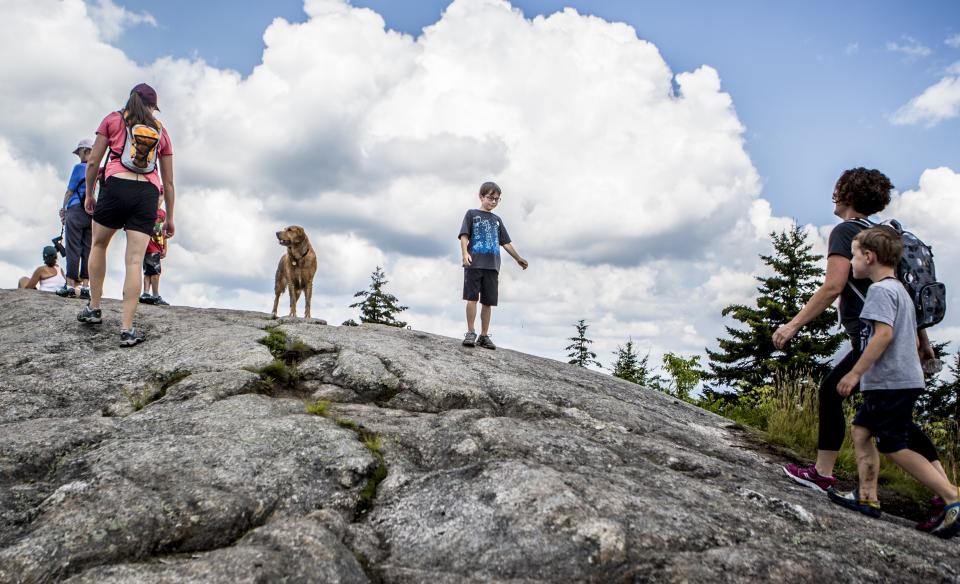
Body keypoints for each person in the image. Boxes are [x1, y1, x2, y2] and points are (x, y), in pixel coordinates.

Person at [774, 169, 942, 497]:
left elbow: (833, 286)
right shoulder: (883, 233)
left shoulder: (846, 232)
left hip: (873, 337)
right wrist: (923, 343)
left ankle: (823, 474)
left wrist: (792, 324)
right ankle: (945, 491)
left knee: (836, 395)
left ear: (847, 195)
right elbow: (905, 292)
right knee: (892, 416)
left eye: (837, 189)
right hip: (896, 335)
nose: (832, 195)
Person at [826, 227, 959, 538]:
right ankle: (867, 496)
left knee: (894, 446)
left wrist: (855, 373)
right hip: (897, 381)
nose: (852, 263)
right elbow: (911, 338)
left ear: (869, 257)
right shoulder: (900, 290)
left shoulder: (880, 292)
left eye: (854, 257)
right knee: (861, 431)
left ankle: (952, 496)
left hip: (891, 382)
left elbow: (882, 336)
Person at [77, 83, 175, 347]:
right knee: (134, 261)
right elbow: (169, 182)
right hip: (147, 194)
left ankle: (94, 308)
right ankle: (127, 329)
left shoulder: (113, 119)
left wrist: (89, 194)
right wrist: (170, 217)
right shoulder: (161, 131)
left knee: (98, 245)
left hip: (116, 185)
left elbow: (94, 161)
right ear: (152, 106)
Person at [458, 181, 528, 349]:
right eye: (490, 198)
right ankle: (470, 332)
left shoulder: (497, 220)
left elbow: (506, 243)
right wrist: (465, 253)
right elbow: (464, 236)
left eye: (497, 199)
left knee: (488, 302)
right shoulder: (472, 214)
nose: (494, 202)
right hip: (474, 263)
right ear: (481, 196)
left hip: (492, 266)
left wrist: (518, 258)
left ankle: (483, 335)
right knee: (472, 298)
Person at [56, 138, 94, 299]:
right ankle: (86, 287)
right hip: (93, 212)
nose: (79, 155)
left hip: (77, 209)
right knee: (88, 249)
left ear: (85, 151)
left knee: (73, 247)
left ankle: (70, 285)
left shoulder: (79, 168)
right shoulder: (98, 169)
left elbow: (70, 191)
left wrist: (63, 209)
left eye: (79, 152)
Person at [139, 191, 169, 306]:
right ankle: (153, 295)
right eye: (156, 196)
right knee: (153, 272)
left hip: (157, 246)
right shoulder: (147, 210)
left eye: (161, 196)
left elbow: (164, 234)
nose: (159, 199)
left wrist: (165, 248)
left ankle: (147, 294)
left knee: (152, 272)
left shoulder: (163, 214)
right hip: (147, 246)